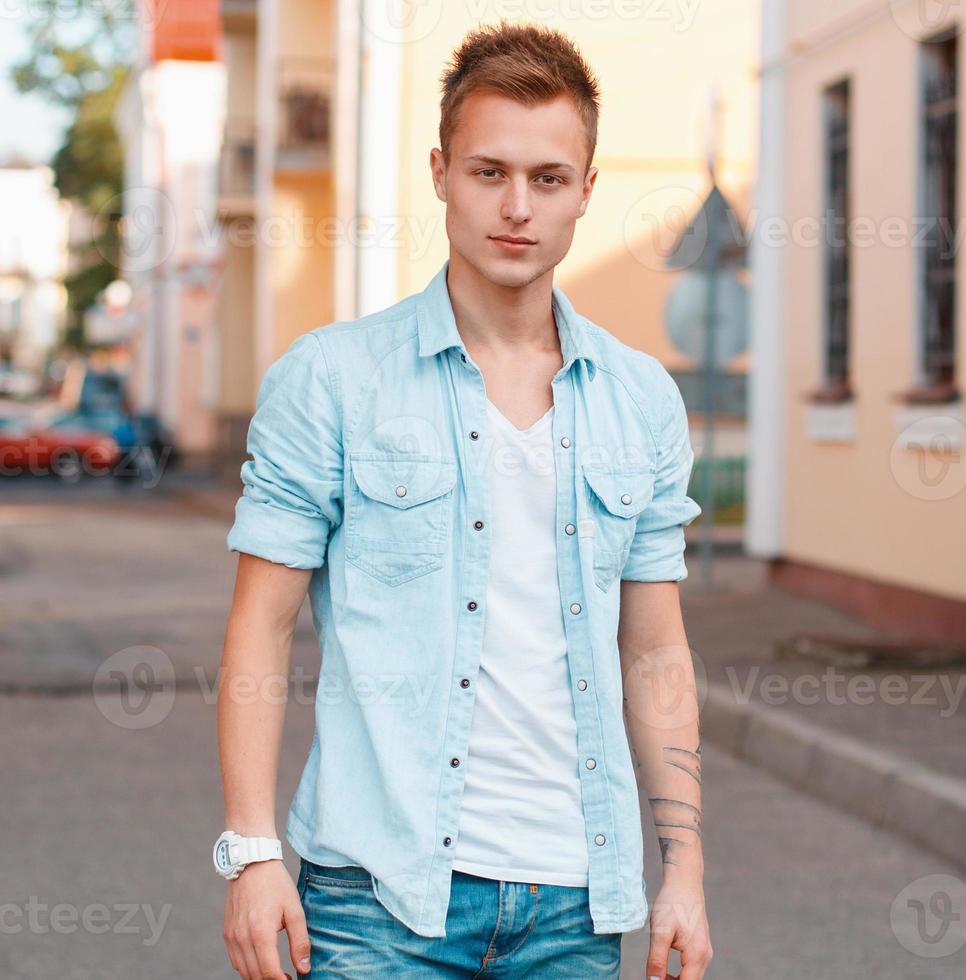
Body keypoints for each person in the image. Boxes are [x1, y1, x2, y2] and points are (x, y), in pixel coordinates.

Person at [216, 20, 712, 980]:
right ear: (440, 172)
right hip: (373, 902)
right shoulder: (334, 378)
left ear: (587, 192)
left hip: (577, 903)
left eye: (549, 179)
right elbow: (260, 627)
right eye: (489, 173)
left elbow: (655, 649)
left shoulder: (642, 397)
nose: (517, 207)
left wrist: (683, 871)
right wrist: (251, 850)